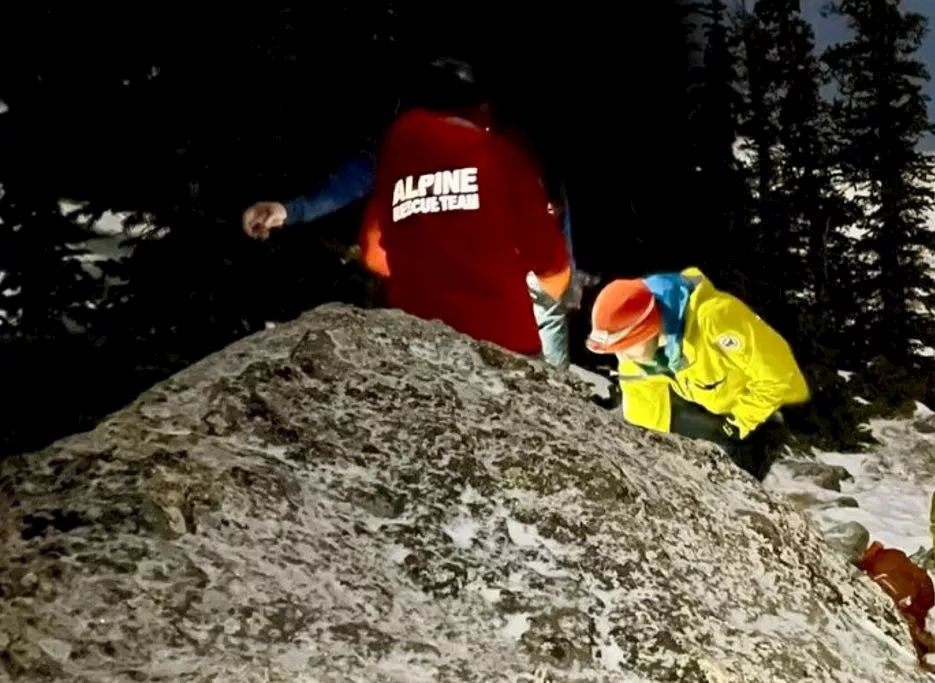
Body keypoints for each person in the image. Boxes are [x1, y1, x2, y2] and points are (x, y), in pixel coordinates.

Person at [240, 58, 585, 364]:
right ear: (482, 108)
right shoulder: (502, 156)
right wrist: (556, 284)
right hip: (503, 333)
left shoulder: (397, 150)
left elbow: (359, 190)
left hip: (419, 333)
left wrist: (290, 210)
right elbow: (550, 257)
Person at [584, 266, 810, 479]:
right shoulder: (636, 357)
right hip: (707, 409)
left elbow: (779, 376)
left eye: (626, 345)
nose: (621, 356)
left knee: (728, 480)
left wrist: (739, 421)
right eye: (616, 350)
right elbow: (643, 421)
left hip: (759, 415)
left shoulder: (717, 318)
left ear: (649, 329)